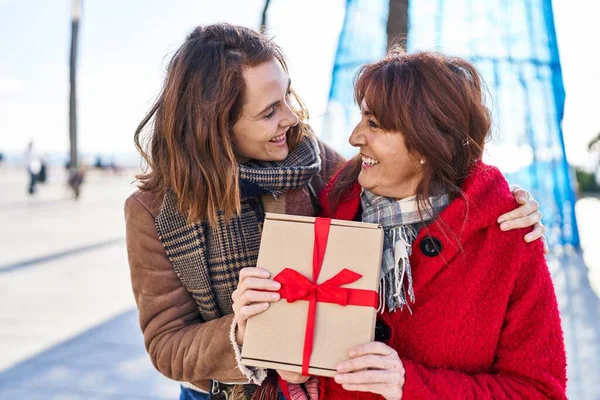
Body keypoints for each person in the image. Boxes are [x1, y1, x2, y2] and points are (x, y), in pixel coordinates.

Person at [125, 24, 546, 400]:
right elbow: (166, 345)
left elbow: (409, 167)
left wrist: (498, 201)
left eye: (286, 94)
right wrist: (246, 335)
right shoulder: (154, 211)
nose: (291, 118)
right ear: (215, 126)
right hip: (226, 394)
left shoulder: (313, 164)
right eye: (269, 111)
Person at [277, 50, 566, 399]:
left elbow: (540, 391)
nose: (354, 137)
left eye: (374, 123)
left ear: (427, 142)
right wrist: (291, 370)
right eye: (361, 118)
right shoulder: (332, 210)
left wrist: (410, 386)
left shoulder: (507, 237)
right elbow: (311, 372)